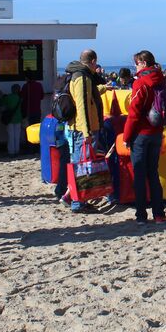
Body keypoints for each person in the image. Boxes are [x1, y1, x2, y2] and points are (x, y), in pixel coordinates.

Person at [123, 50, 166, 224]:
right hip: (157, 132)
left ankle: (141, 215)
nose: (135, 66)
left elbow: (134, 113)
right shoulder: (161, 80)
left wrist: (126, 136)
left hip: (141, 134)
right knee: (153, 174)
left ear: (143, 63)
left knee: (140, 175)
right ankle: (159, 214)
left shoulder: (141, 83)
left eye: (136, 63)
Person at [64, 49, 111, 213]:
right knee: (81, 166)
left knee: (80, 164)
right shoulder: (82, 77)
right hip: (83, 128)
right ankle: (78, 202)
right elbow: (82, 106)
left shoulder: (78, 74)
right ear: (93, 61)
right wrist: (87, 132)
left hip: (79, 127)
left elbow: (88, 97)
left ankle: (73, 197)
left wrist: (104, 89)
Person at [0, 84, 23, 156]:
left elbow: (1, 103)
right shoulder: (20, 98)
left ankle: (11, 151)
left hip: (9, 119)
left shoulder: (8, 97)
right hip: (18, 118)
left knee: (11, 136)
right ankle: (17, 150)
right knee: (17, 135)